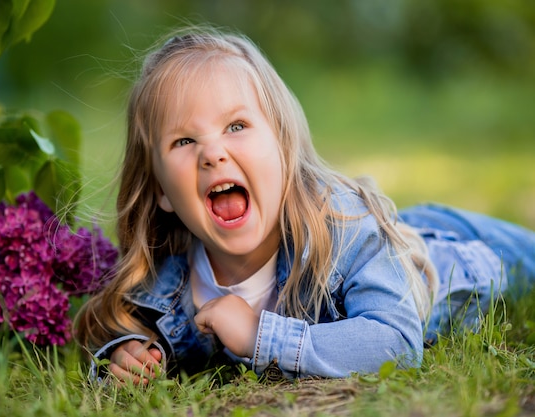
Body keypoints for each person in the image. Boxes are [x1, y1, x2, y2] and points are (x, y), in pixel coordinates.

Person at [74, 26, 535, 384]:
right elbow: (119, 325)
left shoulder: (341, 229)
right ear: (159, 190)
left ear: (283, 147)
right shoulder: (170, 279)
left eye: (236, 126)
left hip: (453, 256)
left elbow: (396, 341)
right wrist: (126, 353)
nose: (211, 153)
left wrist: (260, 337)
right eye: (184, 139)